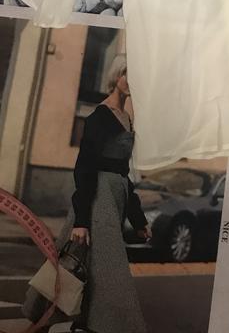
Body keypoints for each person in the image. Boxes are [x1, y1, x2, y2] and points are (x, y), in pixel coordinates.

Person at [23, 55, 149, 333]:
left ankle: (50, 320)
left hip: (115, 201)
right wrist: (81, 220)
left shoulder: (127, 118)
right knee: (108, 271)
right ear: (115, 77)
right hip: (97, 201)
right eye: (125, 74)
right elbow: (85, 168)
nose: (130, 81)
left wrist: (138, 219)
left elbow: (123, 174)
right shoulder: (99, 117)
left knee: (80, 266)